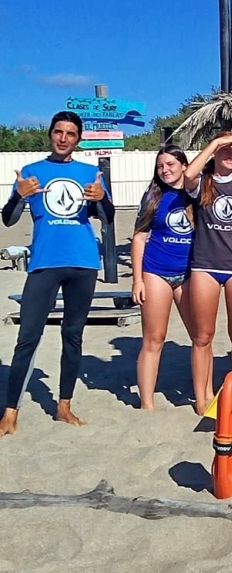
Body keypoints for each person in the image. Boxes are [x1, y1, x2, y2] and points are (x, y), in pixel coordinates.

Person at [0, 111, 114, 436]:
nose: (64, 138)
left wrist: (102, 198)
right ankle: (10, 414)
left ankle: (64, 406)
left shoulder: (89, 173)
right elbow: (8, 219)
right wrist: (20, 196)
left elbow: (106, 217)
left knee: (72, 335)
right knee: (27, 337)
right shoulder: (32, 173)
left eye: (71, 133)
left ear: (78, 139)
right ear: (50, 134)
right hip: (44, 263)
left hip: (82, 263)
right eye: (58, 132)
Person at [184, 132, 232, 415]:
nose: (230, 153)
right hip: (205, 266)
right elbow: (188, 174)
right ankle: (202, 396)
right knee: (203, 336)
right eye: (225, 148)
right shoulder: (204, 182)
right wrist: (214, 145)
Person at [132, 145, 194, 410]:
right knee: (154, 338)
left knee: (201, 338)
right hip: (157, 272)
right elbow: (139, 236)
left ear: (183, 165)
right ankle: (147, 403)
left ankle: (204, 394)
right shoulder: (153, 196)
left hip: (190, 274)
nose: (165, 170)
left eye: (170, 164)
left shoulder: (197, 194)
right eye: (160, 166)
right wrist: (137, 280)